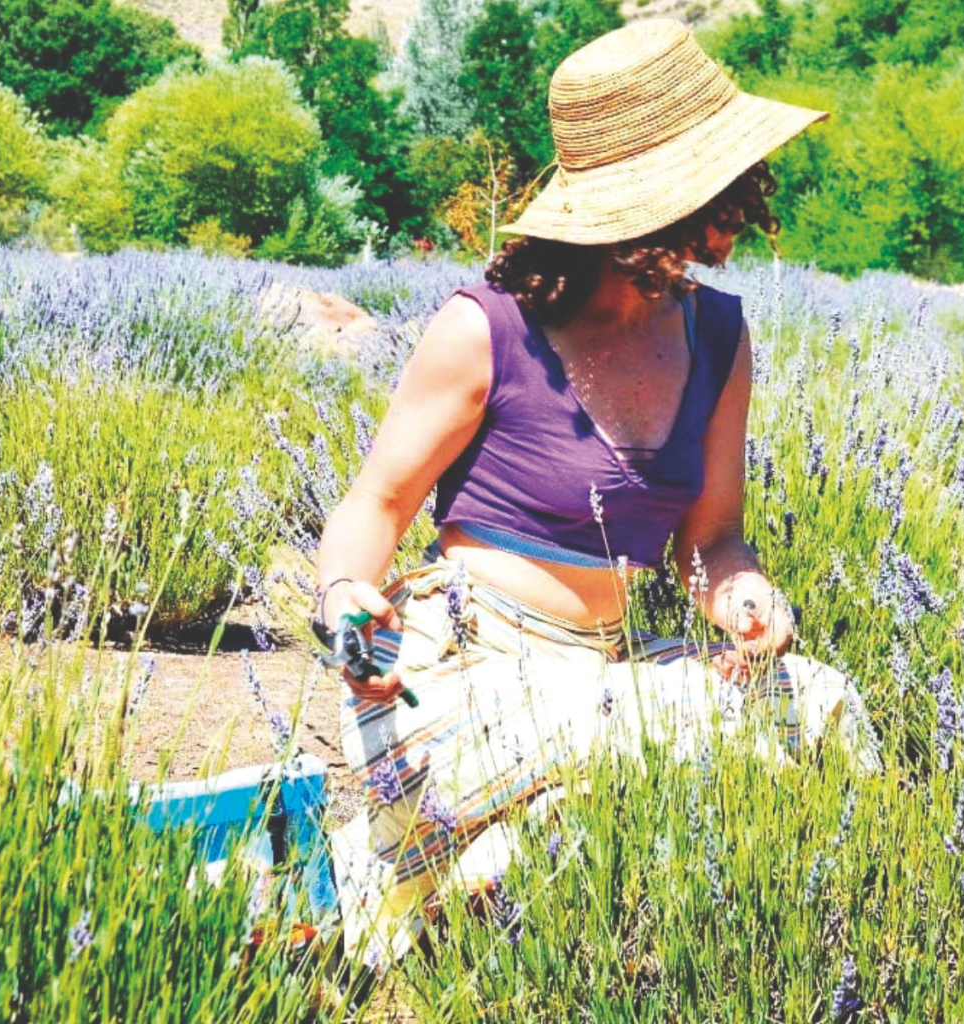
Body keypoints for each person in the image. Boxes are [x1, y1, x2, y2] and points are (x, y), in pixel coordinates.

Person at [312, 19, 881, 965]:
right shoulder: (487, 329)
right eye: (725, 185)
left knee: (821, 703)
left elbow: (715, 540)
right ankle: (431, 869)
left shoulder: (720, 337)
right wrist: (347, 609)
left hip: (608, 670)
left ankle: (484, 877)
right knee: (660, 739)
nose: (745, 205)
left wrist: (743, 596)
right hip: (460, 667)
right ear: (654, 205)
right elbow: (376, 504)